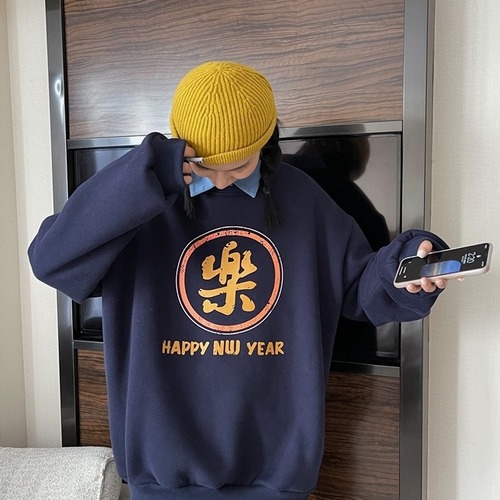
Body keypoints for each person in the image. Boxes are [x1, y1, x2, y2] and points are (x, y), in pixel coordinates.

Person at [28, 61, 448, 500]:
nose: (221, 179)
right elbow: (50, 260)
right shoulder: (138, 201)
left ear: (266, 140)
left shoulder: (303, 198)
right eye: (205, 164)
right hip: (164, 473)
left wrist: (404, 271)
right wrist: (144, 174)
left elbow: (359, 287)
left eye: (240, 165)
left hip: (274, 471)